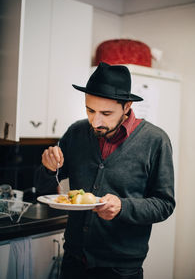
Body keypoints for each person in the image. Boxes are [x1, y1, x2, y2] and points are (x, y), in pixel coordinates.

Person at [35, 62, 175, 279]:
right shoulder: (76, 133)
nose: (96, 121)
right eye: (90, 110)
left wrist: (123, 207)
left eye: (106, 113)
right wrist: (47, 168)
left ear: (127, 107)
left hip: (121, 269)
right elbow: (44, 191)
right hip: (74, 261)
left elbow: (164, 204)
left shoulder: (155, 141)